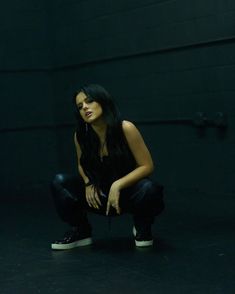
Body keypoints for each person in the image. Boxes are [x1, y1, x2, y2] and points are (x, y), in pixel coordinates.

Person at [51, 84, 164, 250]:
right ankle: (81, 231)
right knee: (60, 181)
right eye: (80, 106)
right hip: (98, 195)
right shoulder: (81, 135)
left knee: (149, 189)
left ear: (103, 101)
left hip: (126, 194)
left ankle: (142, 226)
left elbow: (147, 166)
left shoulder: (126, 128)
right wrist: (89, 182)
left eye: (89, 101)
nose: (85, 108)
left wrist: (118, 184)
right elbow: (81, 164)